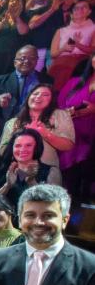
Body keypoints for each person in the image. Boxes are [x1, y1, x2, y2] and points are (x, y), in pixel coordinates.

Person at [0, 83, 75, 171]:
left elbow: (68, 145)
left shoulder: (60, 115)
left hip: (46, 172)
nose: (38, 97)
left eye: (45, 94)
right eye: (35, 94)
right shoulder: (13, 122)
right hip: (17, 171)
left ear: (51, 100)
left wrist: (45, 134)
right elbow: (3, 150)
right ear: (28, 97)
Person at [0, 128, 62, 209]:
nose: (22, 149)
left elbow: (53, 207)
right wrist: (7, 186)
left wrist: (32, 182)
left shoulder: (51, 171)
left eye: (28, 145)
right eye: (18, 146)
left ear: (36, 147)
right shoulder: (5, 170)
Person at [57, 53, 95, 195]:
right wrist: (68, 112)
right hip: (69, 139)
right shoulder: (74, 82)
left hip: (91, 145)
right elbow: (59, 107)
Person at [48, 0, 95, 90]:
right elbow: (53, 54)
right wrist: (63, 49)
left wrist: (77, 44)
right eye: (76, 8)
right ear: (71, 13)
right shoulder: (61, 31)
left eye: (84, 7)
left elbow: (93, 50)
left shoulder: (93, 28)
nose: (80, 10)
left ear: (89, 12)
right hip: (60, 61)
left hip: (81, 63)